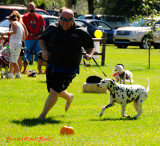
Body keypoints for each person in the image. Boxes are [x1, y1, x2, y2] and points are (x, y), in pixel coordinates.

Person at [38, 9, 95, 120]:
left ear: (73, 19)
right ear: (59, 18)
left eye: (68, 20)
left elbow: (90, 46)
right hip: (52, 63)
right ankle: (69, 96)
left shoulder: (80, 31)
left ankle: (42, 116)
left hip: (69, 67)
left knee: (54, 91)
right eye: (62, 19)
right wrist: (44, 50)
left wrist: (89, 54)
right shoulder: (53, 28)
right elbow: (42, 39)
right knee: (52, 89)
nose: (64, 22)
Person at [22, 2, 45, 74]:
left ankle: (39, 69)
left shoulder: (40, 17)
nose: (31, 7)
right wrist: (31, 34)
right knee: (27, 53)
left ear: (35, 7)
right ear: (27, 8)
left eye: (32, 6)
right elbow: (24, 27)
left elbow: (43, 27)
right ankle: (24, 69)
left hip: (38, 39)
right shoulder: (25, 17)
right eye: (29, 6)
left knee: (39, 54)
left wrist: (40, 36)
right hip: (28, 39)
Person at [1, 14, 24, 78]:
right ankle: (10, 74)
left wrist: (5, 33)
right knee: (12, 59)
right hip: (18, 42)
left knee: (13, 60)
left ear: (10, 20)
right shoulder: (20, 24)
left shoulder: (14, 23)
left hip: (14, 43)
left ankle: (18, 75)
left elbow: (14, 31)